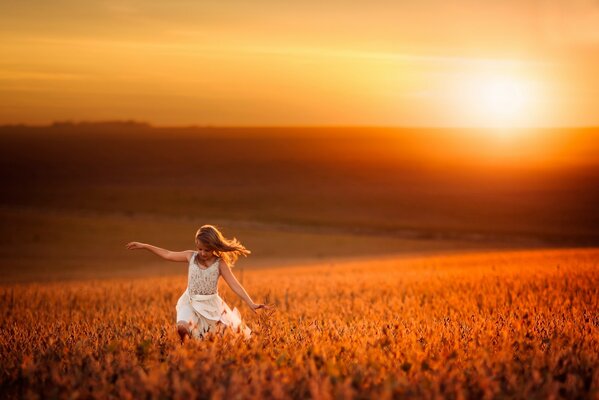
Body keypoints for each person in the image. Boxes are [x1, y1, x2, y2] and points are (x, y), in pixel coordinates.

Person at [126, 224, 273, 342]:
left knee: (223, 338)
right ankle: (185, 350)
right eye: (200, 249)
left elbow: (235, 284)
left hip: (211, 306)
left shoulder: (220, 263)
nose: (202, 253)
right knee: (182, 328)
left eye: (207, 250)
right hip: (189, 301)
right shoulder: (191, 256)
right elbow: (168, 254)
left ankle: (200, 353)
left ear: (214, 247)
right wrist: (145, 246)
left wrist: (251, 302)